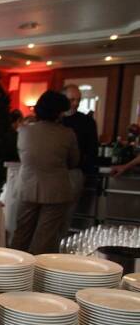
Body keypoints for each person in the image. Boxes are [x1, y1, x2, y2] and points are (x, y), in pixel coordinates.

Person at [11, 91, 80, 255]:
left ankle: (14, 266)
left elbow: (23, 156)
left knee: (21, 234)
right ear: (59, 112)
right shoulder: (67, 134)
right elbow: (74, 162)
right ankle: (38, 270)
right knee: (45, 238)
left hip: (27, 187)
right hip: (56, 190)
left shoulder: (24, 131)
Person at [60, 84, 99, 232]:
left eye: (78, 100)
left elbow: (92, 150)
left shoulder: (87, 122)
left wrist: (83, 171)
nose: (76, 103)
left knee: (67, 217)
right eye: (72, 100)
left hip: (73, 173)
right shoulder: (55, 121)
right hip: (53, 174)